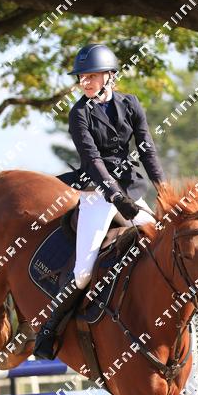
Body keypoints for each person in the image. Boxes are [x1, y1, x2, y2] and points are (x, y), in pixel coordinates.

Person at [33, 43, 165, 359]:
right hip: (97, 192)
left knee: (160, 246)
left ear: (109, 76)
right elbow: (92, 161)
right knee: (82, 272)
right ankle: (49, 329)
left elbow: (146, 149)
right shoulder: (79, 113)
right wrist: (114, 196)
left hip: (131, 188)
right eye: (81, 77)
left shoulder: (130, 104)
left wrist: (163, 188)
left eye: (91, 76)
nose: (85, 82)